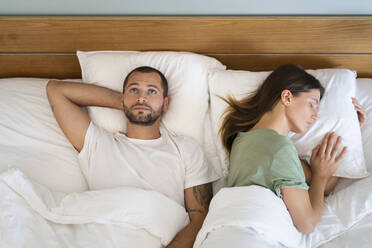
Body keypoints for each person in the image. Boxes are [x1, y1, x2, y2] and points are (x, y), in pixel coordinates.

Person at [46, 66, 216, 248]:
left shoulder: (186, 149)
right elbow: (56, 90)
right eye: (134, 90)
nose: (141, 97)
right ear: (123, 98)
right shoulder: (97, 144)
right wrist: (130, 104)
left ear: (165, 103)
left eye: (152, 91)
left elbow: (200, 218)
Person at [220, 64, 349, 234]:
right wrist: (319, 177)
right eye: (312, 104)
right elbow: (307, 223)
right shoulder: (280, 148)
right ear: (287, 97)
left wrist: (352, 128)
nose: (316, 115)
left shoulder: (241, 139)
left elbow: (321, 186)